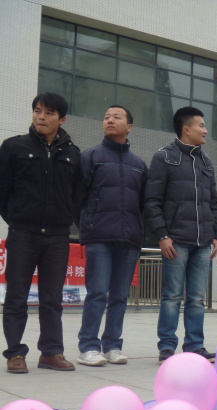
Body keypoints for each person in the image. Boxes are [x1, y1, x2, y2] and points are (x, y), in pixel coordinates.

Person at [0, 92, 82, 374]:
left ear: (62, 119)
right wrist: (17, 219)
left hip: (57, 237)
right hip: (23, 233)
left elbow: (77, 195)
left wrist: (65, 220)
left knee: (52, 298)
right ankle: (15, 353)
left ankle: (51, 352)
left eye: (48, 113)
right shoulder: (13, 147)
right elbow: (3, 191)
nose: (41, 117)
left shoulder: (72, 154)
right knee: (17, 296)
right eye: (37, 111)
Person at [145, 107, 217, 364]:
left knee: (197, 299)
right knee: (171, 297)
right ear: (186, 129)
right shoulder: (164, 157)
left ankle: (195, 346)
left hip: (203, 242)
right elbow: (152, 201)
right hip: (176, 241)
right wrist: (162, 235)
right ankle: (167, 347)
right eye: (201, 125)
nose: (205, 131)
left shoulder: (206, 162)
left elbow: (213, 203)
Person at [76, 105, 147, 366]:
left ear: (129, 127)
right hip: (99, 238)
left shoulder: (139, 164)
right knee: (97, 293)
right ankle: (88, 346)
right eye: (106, 117)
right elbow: (78, 197)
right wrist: (88, 225)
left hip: (129, 239)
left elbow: (144, 203)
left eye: (117, 117)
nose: (110, 120)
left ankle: (113, 346)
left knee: (119, 296)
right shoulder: (91, 156)